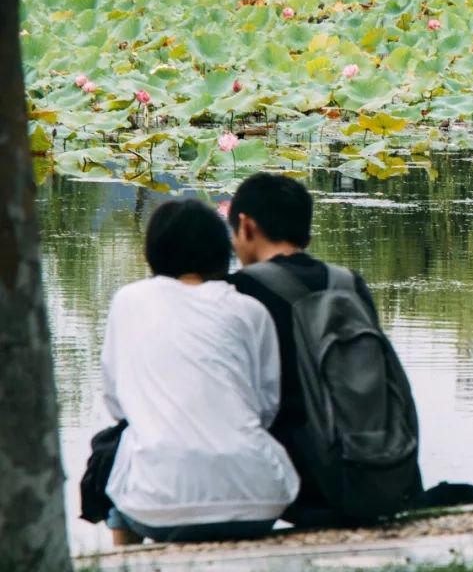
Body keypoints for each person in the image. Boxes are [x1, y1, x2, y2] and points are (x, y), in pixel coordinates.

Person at [226, 173, 423, 528]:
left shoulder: (240, 292)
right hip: (376, 470)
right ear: (306, 231)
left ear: (246, 225)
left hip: (300, 484)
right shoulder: (349, 284)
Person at [101, 199, 299, 544]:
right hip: (258, 502)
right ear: (221, 250)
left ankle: (123, 562)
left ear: (154, 251)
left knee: (117, 444)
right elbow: (267, 407)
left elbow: (117, 403)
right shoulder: (250, 309)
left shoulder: (128, 301)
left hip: (156, 508)